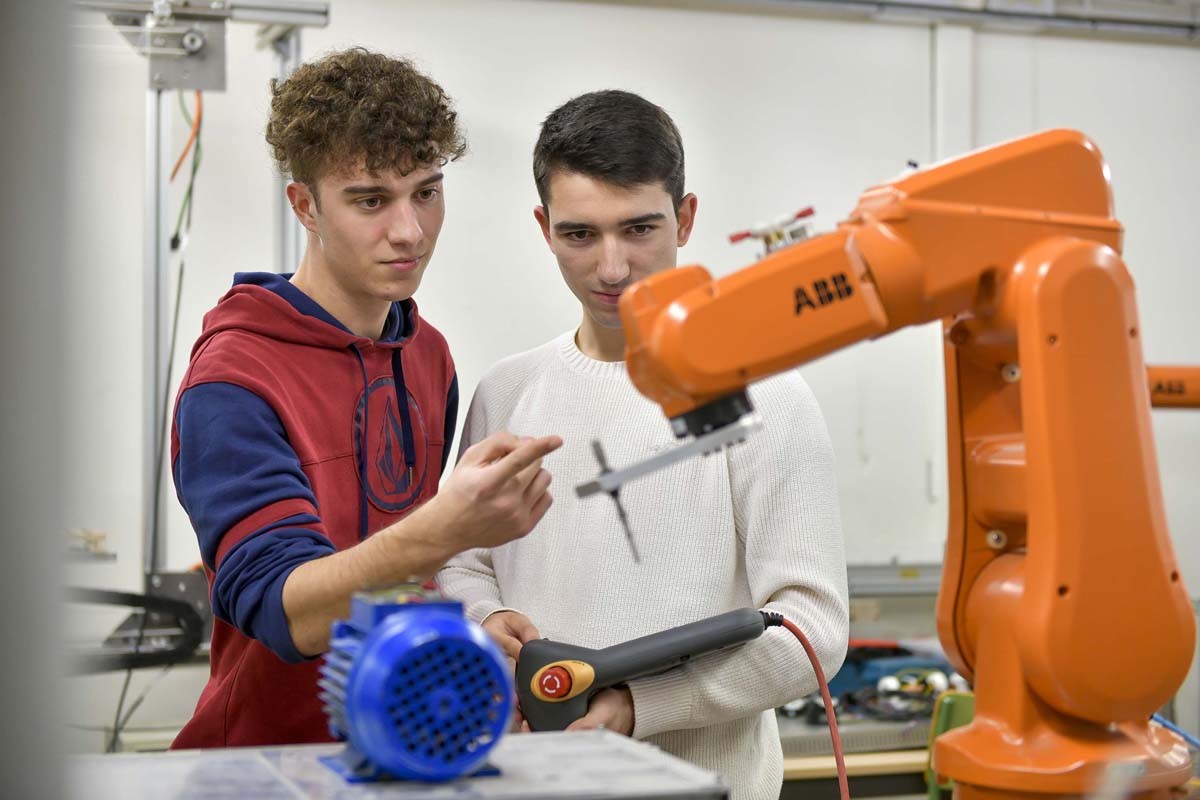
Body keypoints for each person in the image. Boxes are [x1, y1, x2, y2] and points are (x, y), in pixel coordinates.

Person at [437, 90, 848, 800]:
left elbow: (813, 630)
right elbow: (461, 562)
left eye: (639, 229)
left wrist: (641, 706)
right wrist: (488, 619)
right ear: (543, 227)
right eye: (580, 234)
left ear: (684, 218)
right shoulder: (506, 392)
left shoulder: (766, 396)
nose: (612, 268)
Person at [170, 47, 560, 749]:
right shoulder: (234, 380)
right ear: (305, 206)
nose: (409, 231)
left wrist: (471, 626)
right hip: (265, 766)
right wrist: (450, 527)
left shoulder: (427, 354)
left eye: (426, 192)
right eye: (371, 200)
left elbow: (398, 570)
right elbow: (286, 612)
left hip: (401, 749)